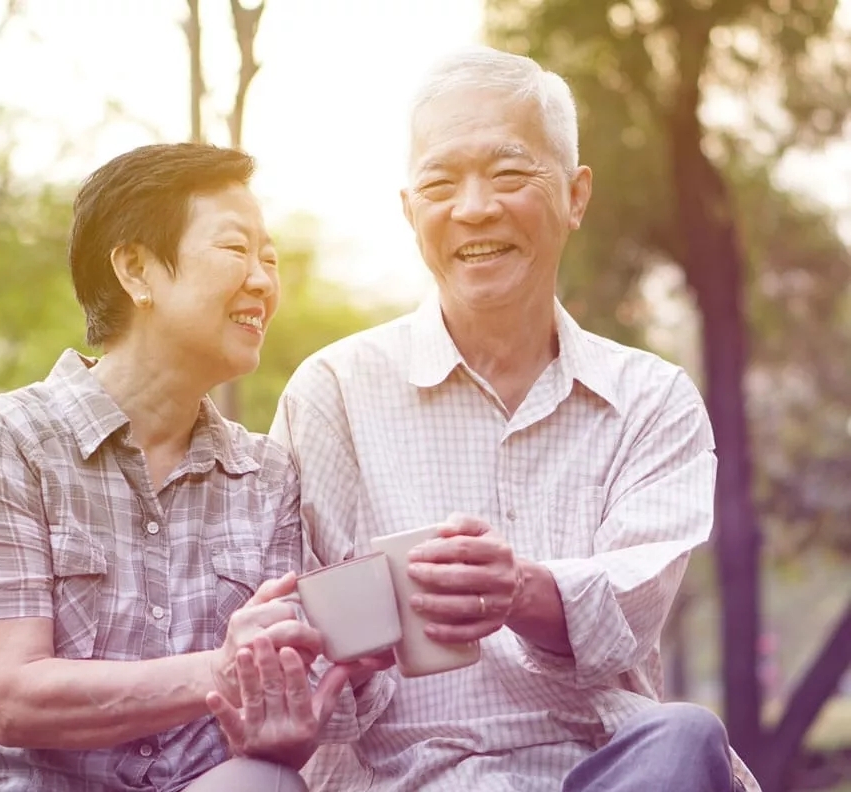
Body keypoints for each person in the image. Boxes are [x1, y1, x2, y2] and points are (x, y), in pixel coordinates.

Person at [259, 47, 761, 791]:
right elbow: (299, 647)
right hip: (405, 776)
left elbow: (632, 608)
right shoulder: (330, 392)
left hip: (605, 768)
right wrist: (319, 657)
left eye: (508, 173)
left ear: (575, 195)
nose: (473, 208)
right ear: (409, 211)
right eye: (440, 182)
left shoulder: (651, 399)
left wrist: (519, 591)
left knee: (688, 732)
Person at [0, 142, 350, 792]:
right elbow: (10, 697)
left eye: (270, 258)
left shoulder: (267, 476)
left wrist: (287, 725)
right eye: (235, 250)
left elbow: (274, 717)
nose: (263, 280)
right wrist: (223, 668)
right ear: (137, 270)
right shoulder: (6, 441)